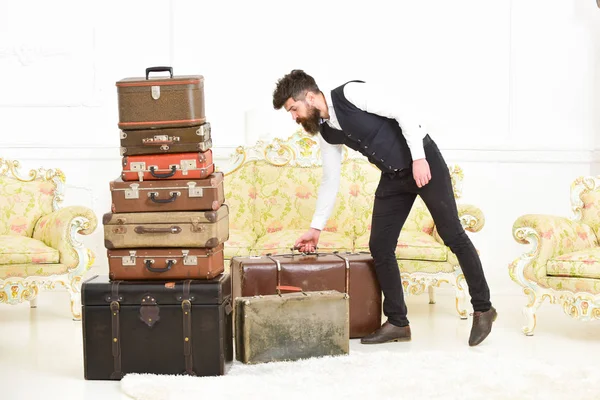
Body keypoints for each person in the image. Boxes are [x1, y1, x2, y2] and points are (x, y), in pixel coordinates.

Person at [272, 69, 496, 346]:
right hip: (393, 177)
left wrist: (418, 159)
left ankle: (484, 309)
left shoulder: (350, 94)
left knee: (453, 235)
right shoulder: (326, 131)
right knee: (380, 245)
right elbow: (331, 179)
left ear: (309, 96)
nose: (294, 118)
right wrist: (315, 228)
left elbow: (404, 112)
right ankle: (398, 322)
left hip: (423, 162)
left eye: (294, 109)